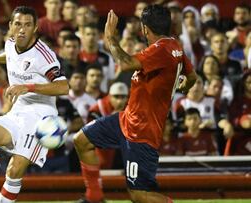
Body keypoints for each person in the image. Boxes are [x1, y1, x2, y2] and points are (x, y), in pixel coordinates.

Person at [73, 5, 197, 203]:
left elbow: (125, 63)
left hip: (142, 131)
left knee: (139, 195)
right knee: (82, 140)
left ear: (145, 28)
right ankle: (94, 198)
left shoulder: (161, 50)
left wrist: (111, 38)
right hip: (127, 119)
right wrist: (182, 87)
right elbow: (192, 76)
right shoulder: (174, 47)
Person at [0, 6, 69, 203]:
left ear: (35, 28)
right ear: (10, 26)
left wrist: (28, 87)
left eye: (27, 25)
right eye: (18, 24)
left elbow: (63, 87)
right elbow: (10, 56)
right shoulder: (10, 43)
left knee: (14, 169)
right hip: (19, 110)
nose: (22, 29)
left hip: (41, 117)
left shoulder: (44, 56)